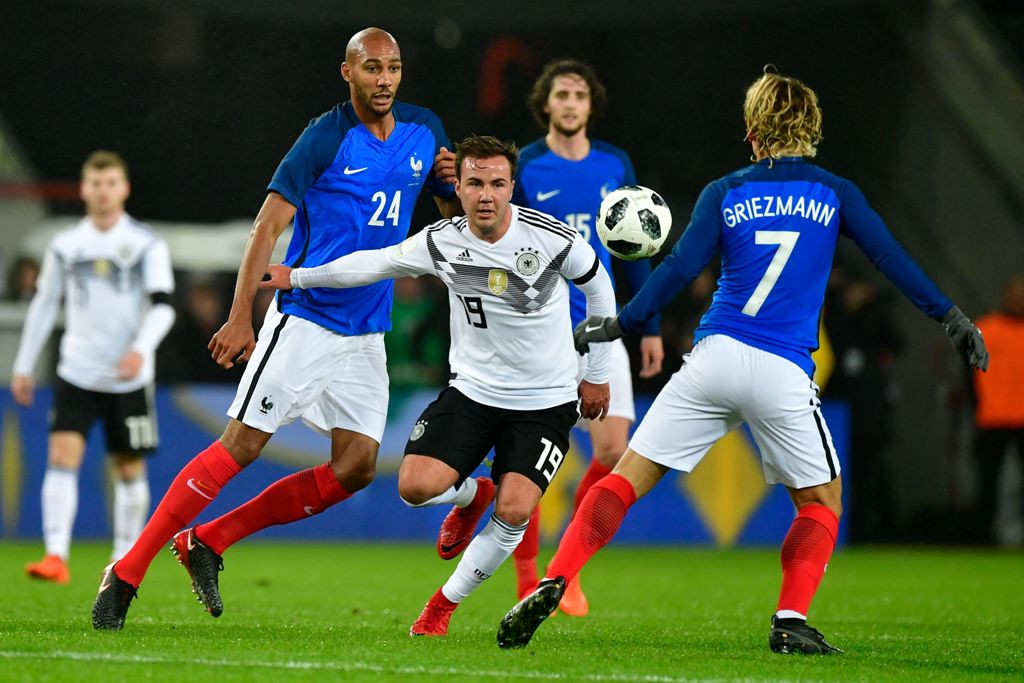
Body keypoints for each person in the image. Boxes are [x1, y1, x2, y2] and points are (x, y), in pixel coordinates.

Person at [497, 66, 989, 654]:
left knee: (626, 478)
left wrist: (622, 323)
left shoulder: (726, 191)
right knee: (822, 502)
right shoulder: (835, 192)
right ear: (812, 129)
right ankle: (790, 620)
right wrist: (951, 317)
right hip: (782, 370)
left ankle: (557, 576)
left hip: (714, 358)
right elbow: (889, 257)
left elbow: (678, 268)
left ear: (753, 133)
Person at [91, 27, 460, 630]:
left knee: (357, 468)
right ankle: (128, 571)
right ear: (348, 73)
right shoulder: (324, 136)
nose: (386, 79)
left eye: (393, 67)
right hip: (306, 321)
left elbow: (448, 221)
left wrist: (450, 185)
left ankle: (209, 540)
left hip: (368, 331)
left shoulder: (426, 130)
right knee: (242, 444)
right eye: (373, 68)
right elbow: (266, 228)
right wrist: (242, 315)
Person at [260, 135, 616, 636]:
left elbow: (601, 290)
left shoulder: (553, 239)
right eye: (475, 183)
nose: (486, 194)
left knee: (515, 511)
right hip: (471, 393)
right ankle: (473, 494)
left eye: (497, 183)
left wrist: (597, 373)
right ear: (461, 187)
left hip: (545, 401)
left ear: (512, 186)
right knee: (414, 487)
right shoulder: (442, 240)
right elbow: (374, 263)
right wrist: (298, 277)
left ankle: (441, 607)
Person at [508, 58, 665, 615]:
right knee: (524, 464)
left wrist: (647, 325)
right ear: (545, 105)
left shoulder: (614, 163)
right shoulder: (524, 165)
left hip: (604, 329)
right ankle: (527, 579)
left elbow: (635, 247)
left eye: (579, 94)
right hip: (544, 333)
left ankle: (563, 571)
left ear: (591, 104)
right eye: (561, 95)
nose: (571, 103)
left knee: (615, 451)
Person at [13, 150, 175, 584]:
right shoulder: (67, 245)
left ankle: (124, 559)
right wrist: (24, 366)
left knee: (128, 467)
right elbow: (45, 306)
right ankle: (55, 556)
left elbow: (163, 308)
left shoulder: (145, 244)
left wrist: (140, 349)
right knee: (62, 456)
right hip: (77, 371)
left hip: (128, 377)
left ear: (124, 189)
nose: (103, 192)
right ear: (83, 189)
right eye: (95, 184)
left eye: (110, 183)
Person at [972, 274, 1024, 544]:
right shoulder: (986, 329)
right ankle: (982, 539)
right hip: (993, 417)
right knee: (987, 483)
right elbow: (967, 374)